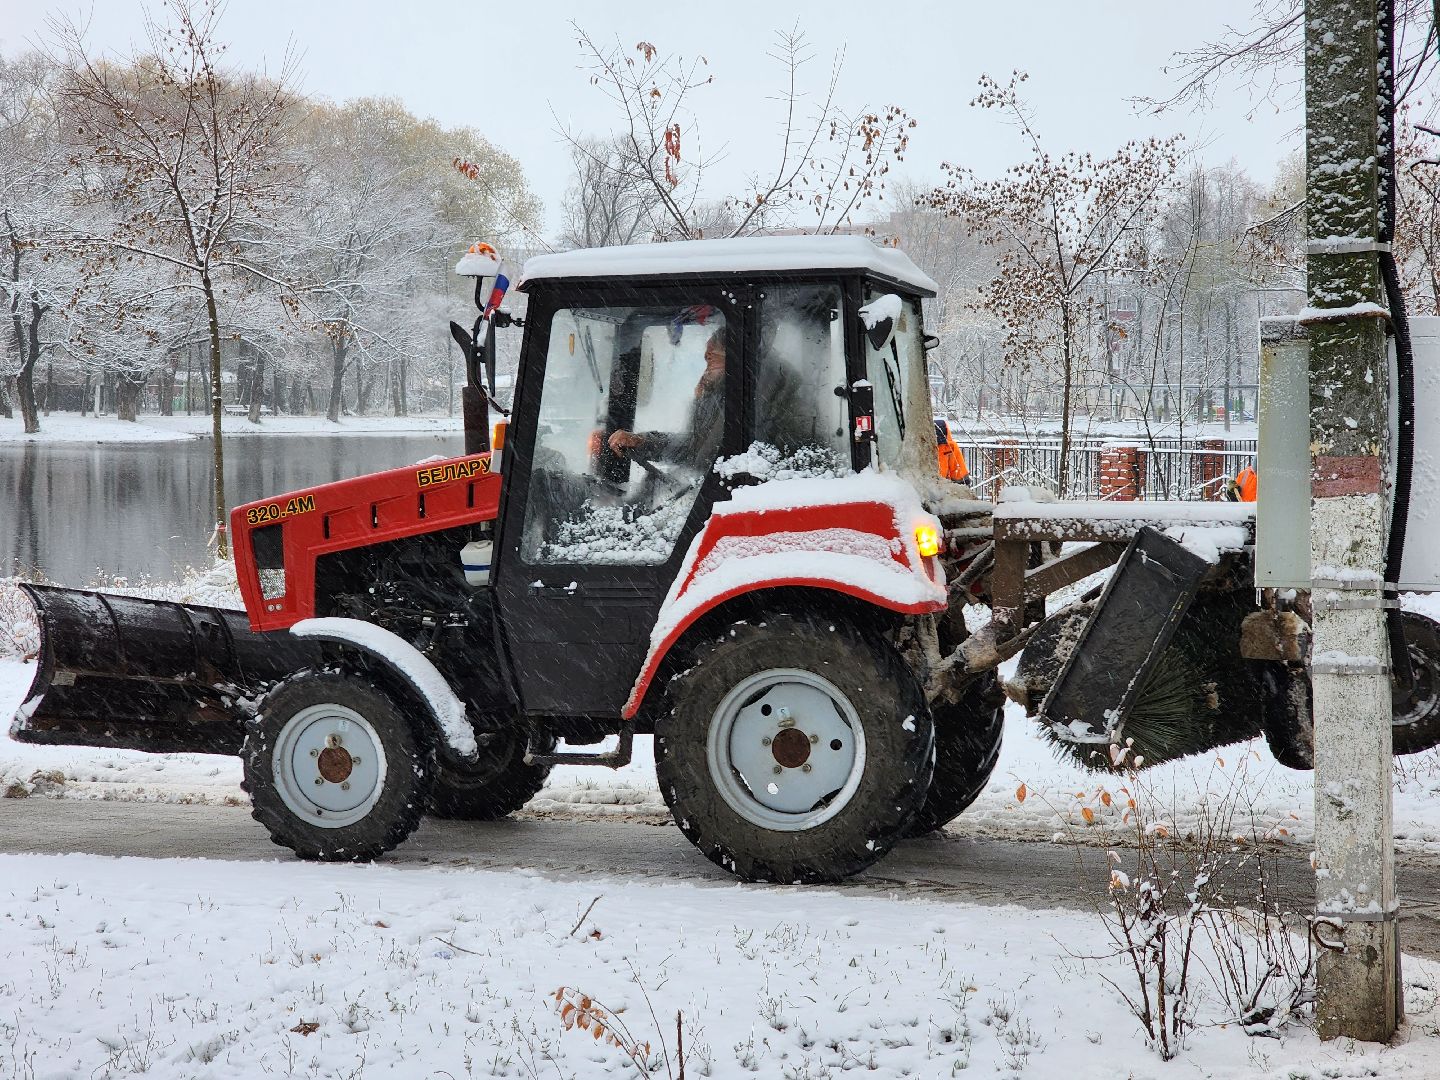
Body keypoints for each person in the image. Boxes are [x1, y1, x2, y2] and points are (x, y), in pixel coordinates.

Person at [606, 328, 726, 470]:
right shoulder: (713, 399)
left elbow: (693, 452)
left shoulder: (730, 406)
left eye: (711, 357)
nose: (706, 367)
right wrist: (640, 441)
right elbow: (691, 447)